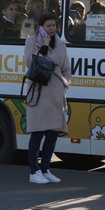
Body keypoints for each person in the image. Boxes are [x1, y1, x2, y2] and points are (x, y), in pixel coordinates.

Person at [24, 12, 71, 184]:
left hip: (56, 93)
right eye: (48, 26)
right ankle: (33, 171)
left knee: (52, 134)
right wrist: (43, 47)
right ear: (41, 26)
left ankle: (45, 169)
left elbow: (67, 68)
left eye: (54, 26)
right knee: (37, 133)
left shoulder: (61, 44)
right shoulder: (31, 42)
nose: (52, 29)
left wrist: (66, 83)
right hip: (39, 92)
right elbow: (30, 63)